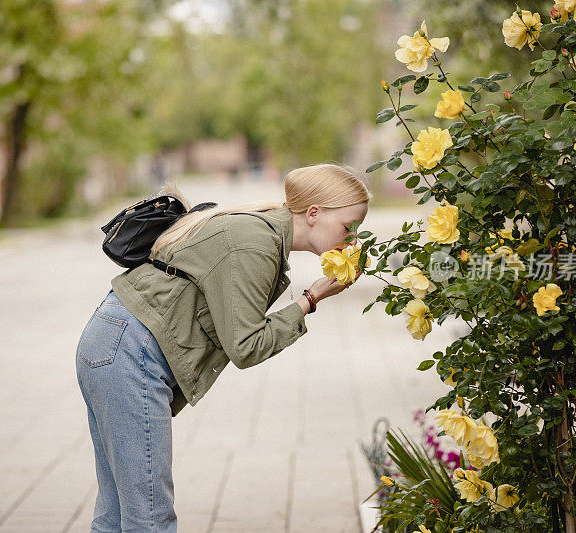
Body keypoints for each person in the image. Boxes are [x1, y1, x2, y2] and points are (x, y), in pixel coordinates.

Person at [76, 163, 371, 532]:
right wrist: (312, 298)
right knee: (148, 518)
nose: (353, 241)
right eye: (349, 228)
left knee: (117, 514)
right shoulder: (255, 243)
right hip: (128, 354)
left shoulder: (260, 229)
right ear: (313, 214)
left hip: (113, 341)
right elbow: (246, 346)